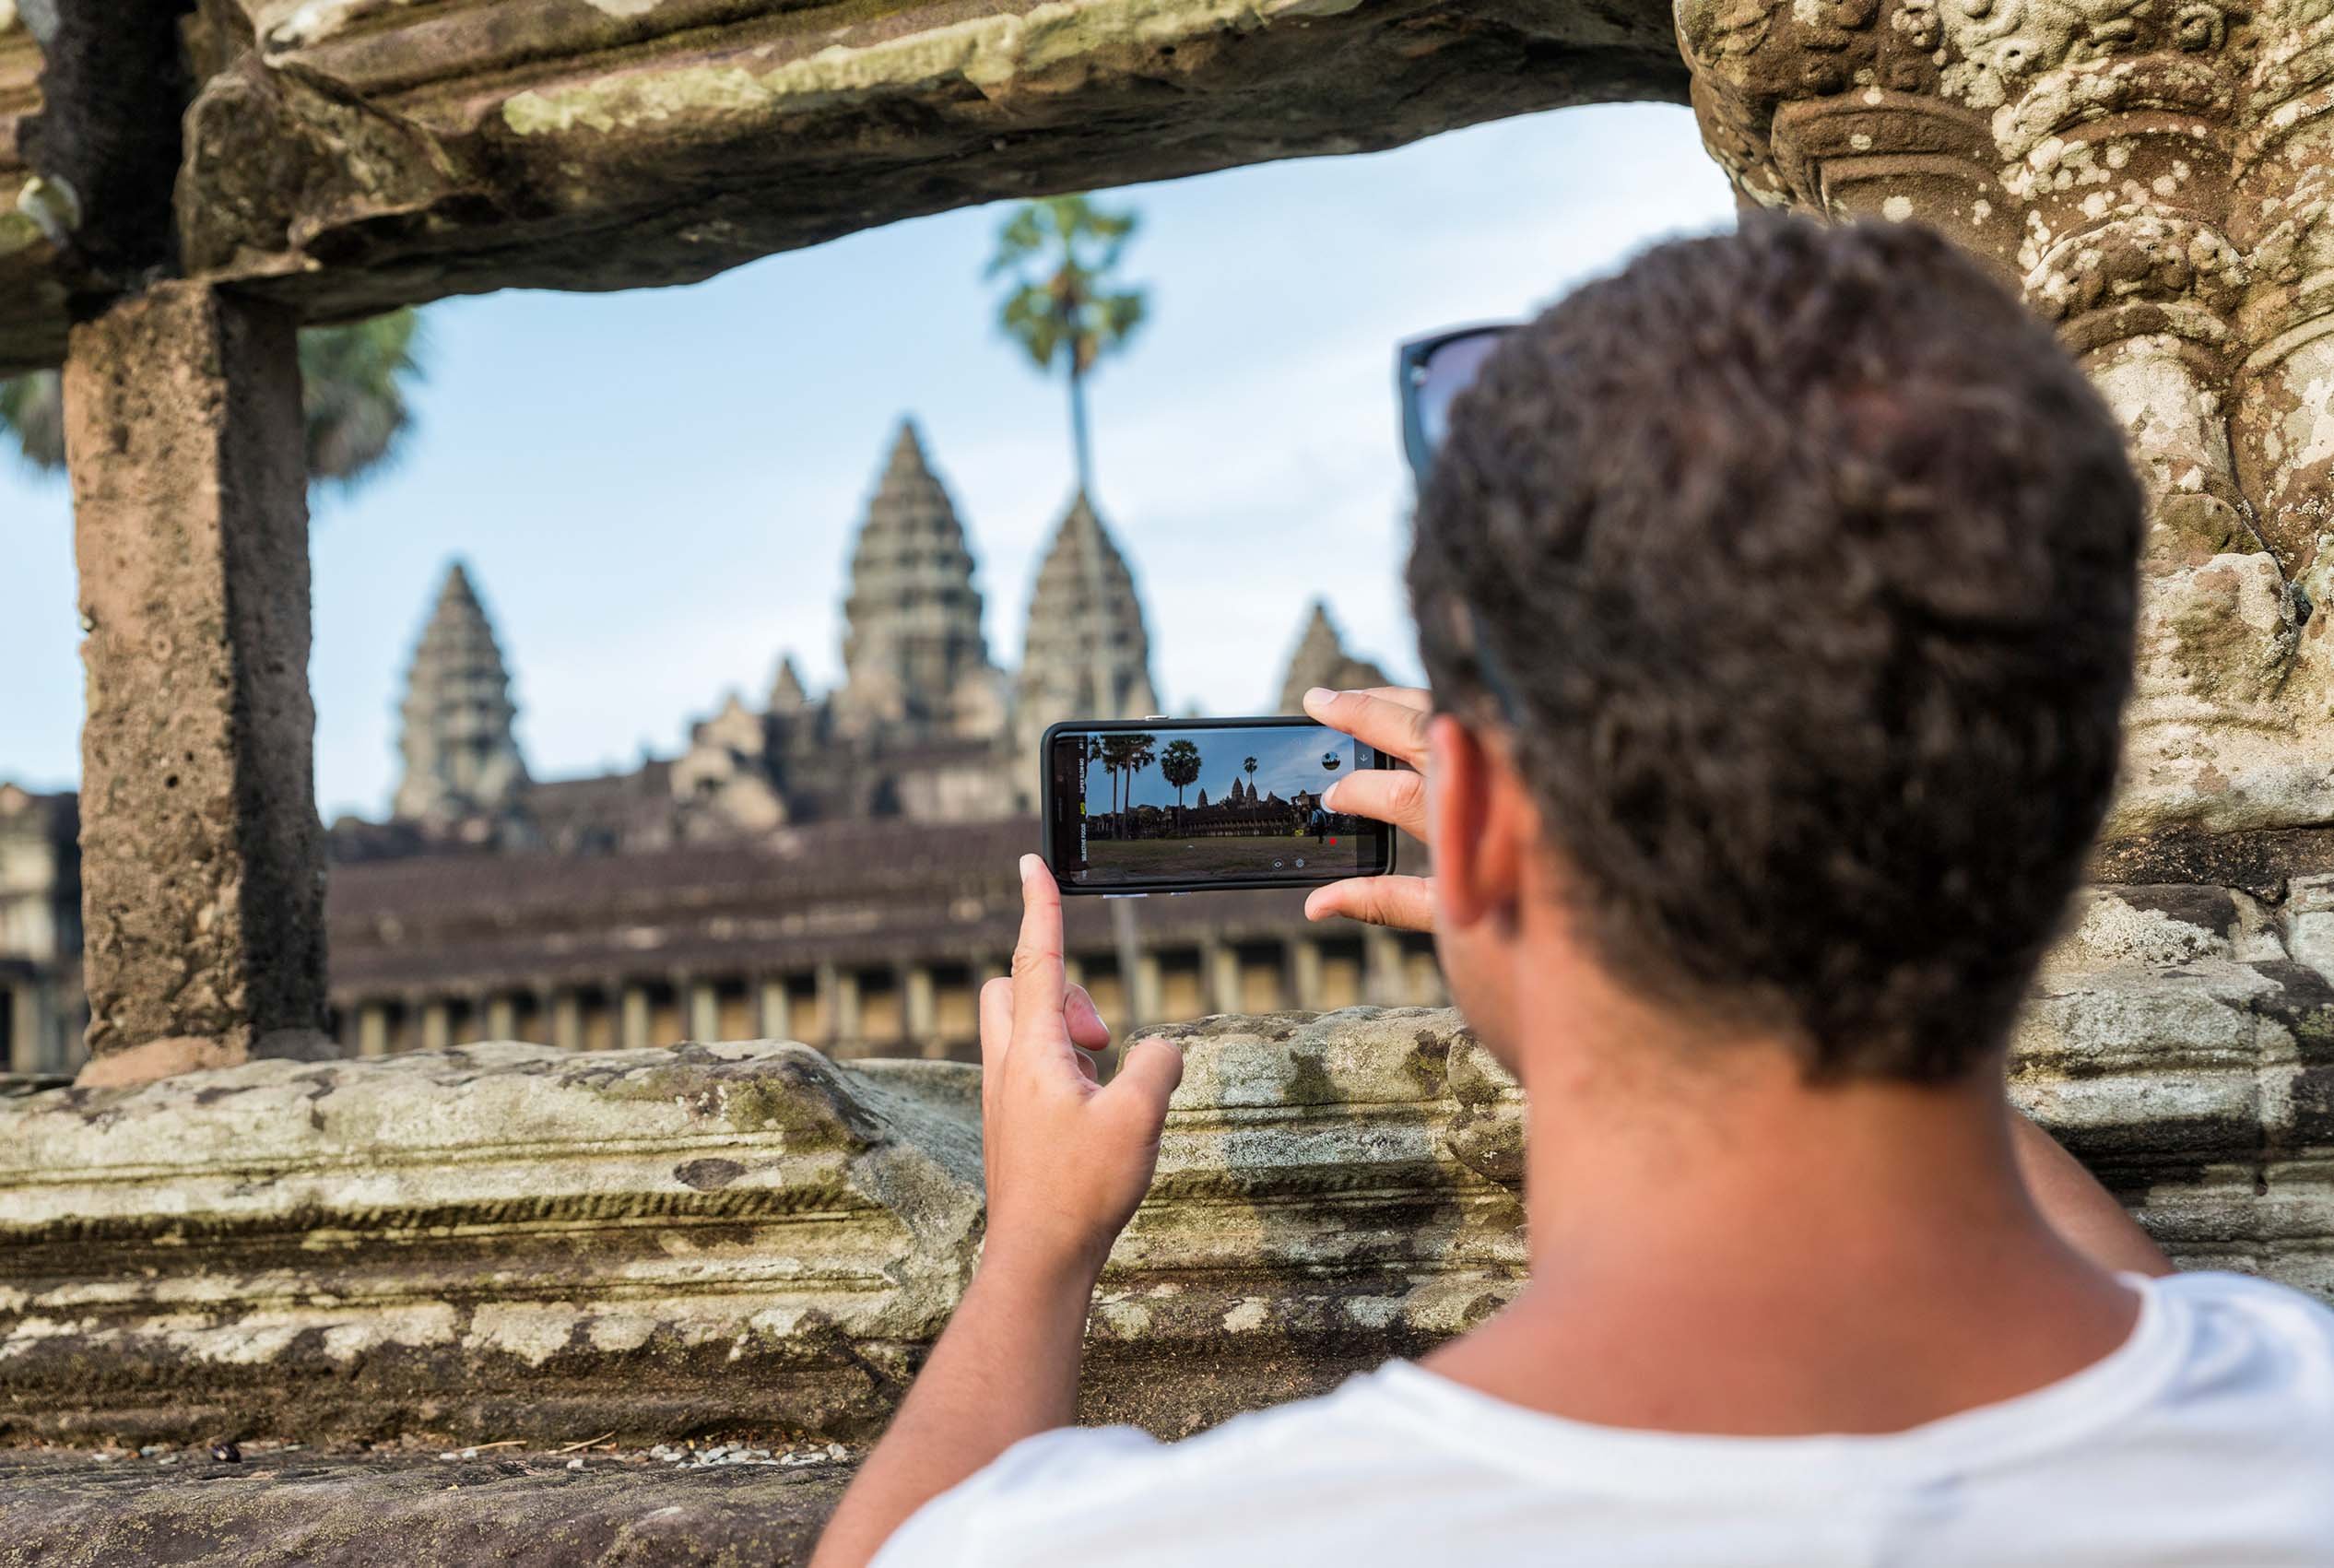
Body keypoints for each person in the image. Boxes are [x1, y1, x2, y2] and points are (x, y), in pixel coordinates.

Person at [811, 219, 2334, 1567]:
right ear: (2057, 831)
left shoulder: (1205, 1538)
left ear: (1466, 838)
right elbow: (2147, 1314)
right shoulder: (2291, 1408)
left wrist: (1033, 1252)